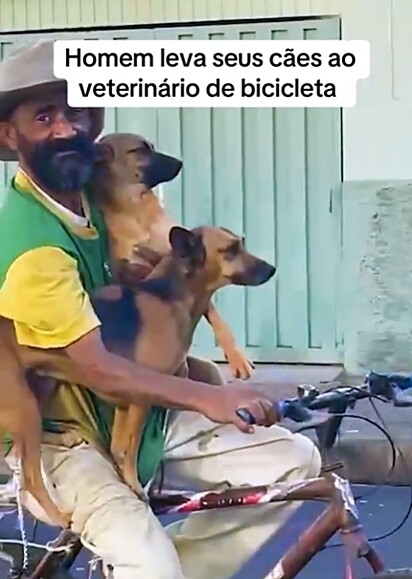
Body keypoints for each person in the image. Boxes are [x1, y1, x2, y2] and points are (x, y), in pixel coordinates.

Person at [0, 41, 321, 579]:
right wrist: (209, 396)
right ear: (9, 135)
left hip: (137, 419)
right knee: (151, 566)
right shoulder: (33, 248)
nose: (66, 128)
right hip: (64, 440)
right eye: (44, 116)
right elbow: (97, 366)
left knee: (294, 463)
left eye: (77, 111)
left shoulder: (101, 207)